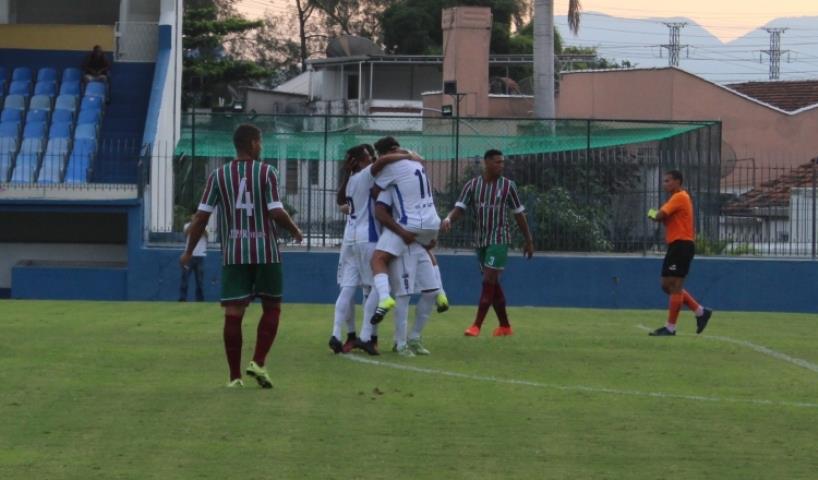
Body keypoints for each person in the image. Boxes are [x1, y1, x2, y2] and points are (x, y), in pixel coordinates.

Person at [180, 124, 303, 388]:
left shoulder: (218, 175)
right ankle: (258, 362)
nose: (261, 146)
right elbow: (275, 210)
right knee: (272, 307)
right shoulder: (267, 172)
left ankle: (235, 377)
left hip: (234, 252)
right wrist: (295, 230)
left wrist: (189, 251)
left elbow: (202, 216)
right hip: (266, 251)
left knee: (233, 313)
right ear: (252, 143)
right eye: (260, 142)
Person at [329, 144, 415, 354]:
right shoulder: (366, 175)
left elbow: (341, 201)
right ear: (359, 161)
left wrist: (346, 171)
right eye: (368, 157)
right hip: (369, 237)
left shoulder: (351, 180)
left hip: (352, 239)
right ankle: (367, 336)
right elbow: (383, 162)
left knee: (348, 288)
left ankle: (336, 333)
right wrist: (406, 155)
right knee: (378, 286)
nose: (372, 159)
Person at [441, 149, 533, 337]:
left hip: (500, 239)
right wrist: (449, 219)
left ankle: (476, 325)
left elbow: (519, 214)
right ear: (487, 163)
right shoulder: (472, 185)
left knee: (488, 280)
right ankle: (505, 326)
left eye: (502, 162)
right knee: (493, 284)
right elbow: (460, 208)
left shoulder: (508, 186)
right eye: (497, 162)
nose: (501, 166)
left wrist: (528, 240)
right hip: (481, 240)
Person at [364, 136, 442, 356]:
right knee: (430, 290)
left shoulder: (391, 170)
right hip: (430, 224)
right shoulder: (417, 164)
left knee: (394, 280)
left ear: (385, 154)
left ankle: (402, 342)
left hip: (410, 228)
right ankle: (412, 338)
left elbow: (375, 196)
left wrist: (401, 231)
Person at [372, 188, 440, 356]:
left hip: (420, 245)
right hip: (402, 245)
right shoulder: (391, 188)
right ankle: (400, 343)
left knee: (432, 291)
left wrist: (430, 237)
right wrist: (401, 233)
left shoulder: (419, 188)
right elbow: (381, 213)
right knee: (404, 294)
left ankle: (414, 337)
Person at [646, 170, 712, 336]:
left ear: (677, 181)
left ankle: (670, 327)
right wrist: (658, 216)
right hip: (676, 245)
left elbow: (659, 215)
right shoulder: (675, 199)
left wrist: (651, 213)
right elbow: (664, 218)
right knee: (666, 285)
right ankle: (700, 311)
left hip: (682, 244)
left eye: (668, 181)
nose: (664, 184)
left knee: (674, 285)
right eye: (664, 181)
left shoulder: (680, 197)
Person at [179, 213, 207, 302]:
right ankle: (182, 299)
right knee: (185, 279)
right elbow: (186, 233)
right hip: (189, 256)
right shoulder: (187, 225)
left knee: (200, 281)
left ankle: (200, 300)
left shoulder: (205, 226)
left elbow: (206, 234)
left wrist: (199, 223)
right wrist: (193, 223)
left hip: (200, 256)